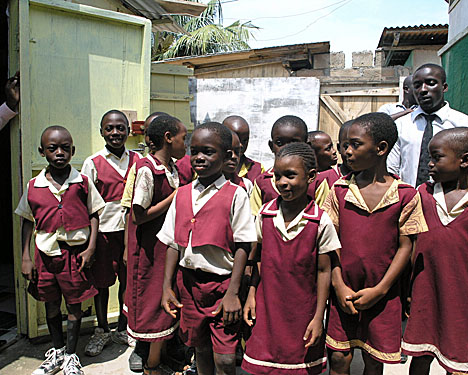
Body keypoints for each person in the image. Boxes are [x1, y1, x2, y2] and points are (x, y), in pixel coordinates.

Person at [322, 113, 428, 375]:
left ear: (381, 149)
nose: (346, 151)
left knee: (373, 360)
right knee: (339, 359)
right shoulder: (339, 190)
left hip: (384, 295)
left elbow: (406, 247)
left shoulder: (405, 195)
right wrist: (338, 285)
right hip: (343, 292)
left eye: (355, 144)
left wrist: (380, 290)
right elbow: (328, 243)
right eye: (344, 145)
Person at [159, 122, 256, 375]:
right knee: (199, 348)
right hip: (189, 284)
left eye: (209, 152)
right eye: (195, 150)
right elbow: (172, 242)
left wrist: (233, 293)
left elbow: (244, 246)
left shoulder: (236, 194)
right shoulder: (182, 194)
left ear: (226, 156)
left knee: (224, 359)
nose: (200, 157)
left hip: (223, 286)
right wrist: (167, 286)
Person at [402, 128, 468, 375]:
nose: (430, 164)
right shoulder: (422, 195)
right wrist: (408, 288)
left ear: (465, 160)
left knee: (460, 362)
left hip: (464, 302)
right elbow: (410, 246)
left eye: (437, 157)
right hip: (424, 295)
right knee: (420, 357)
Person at [241, 142, 339, 375]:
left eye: (291, 175)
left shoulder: (319, 221)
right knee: (264, 364)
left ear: (311, 176)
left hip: (302, 310)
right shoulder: (265, 214)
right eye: (278, 176)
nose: (283, 183)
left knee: (300, 365)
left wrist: (318, 317)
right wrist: (252, 295)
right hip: (268, 306)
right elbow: (257, 260)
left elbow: (324, 271)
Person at [16, 126, 105, 375]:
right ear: (42, 152)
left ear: (72, 150)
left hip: (75, 255)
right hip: (45, 256)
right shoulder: (34, 185)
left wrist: (91, 246)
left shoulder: (82, 183)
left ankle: (71, 355)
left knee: (74, 305)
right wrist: (25, 257)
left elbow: (94, 214)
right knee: (51, 303)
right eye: (52, 148)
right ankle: (56, 351)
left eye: (65, 148)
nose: (59, 153)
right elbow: (26, 220)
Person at [126, 115, 187, 375]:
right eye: (184, 138)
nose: (186, 144)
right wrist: (176, 196)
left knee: (166, 300)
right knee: (152, 305)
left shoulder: (172, 168)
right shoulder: (146, 169)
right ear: (168, 138)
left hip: (166, 249)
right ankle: (152, 365)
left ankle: (160, 357)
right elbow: (137, 215)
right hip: (150, 250)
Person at [81, 110, 140, 356]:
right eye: (109, 128)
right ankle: (102, 329)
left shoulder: (138, 159)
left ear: (127, 130)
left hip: (131, 233)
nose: (115, 133)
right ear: (102, 131)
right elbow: (87, 203)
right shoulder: (92, 162)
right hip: (104, 233)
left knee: (128, 282)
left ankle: (124, 328)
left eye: (120, 128)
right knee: (102, 283)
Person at [387, 63, 468, 187]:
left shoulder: (466, 125)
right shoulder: (400, 125)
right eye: (417, 85)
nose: (423, 90)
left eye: (431, 83)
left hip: (449, 202)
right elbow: (392, 169)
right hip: (409, 201)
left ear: (444, 87)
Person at [249, 115, 309, 216]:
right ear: (271, 146)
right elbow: (254, 218)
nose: (287, 149)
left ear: (307, 146)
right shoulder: (262, 182)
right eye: (280, 143)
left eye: (294, 143)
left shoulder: (315, 181)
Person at [222, 115, 264, 182]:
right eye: (236, 139)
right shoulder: (210, 167)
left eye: (244, 140)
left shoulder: (257, 169)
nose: (240, 145)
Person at [307, 130, 340, 207]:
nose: (334, 151)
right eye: (328, 149)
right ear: (313, 153)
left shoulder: (336, 175)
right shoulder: (309, 181)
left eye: (332, 146)